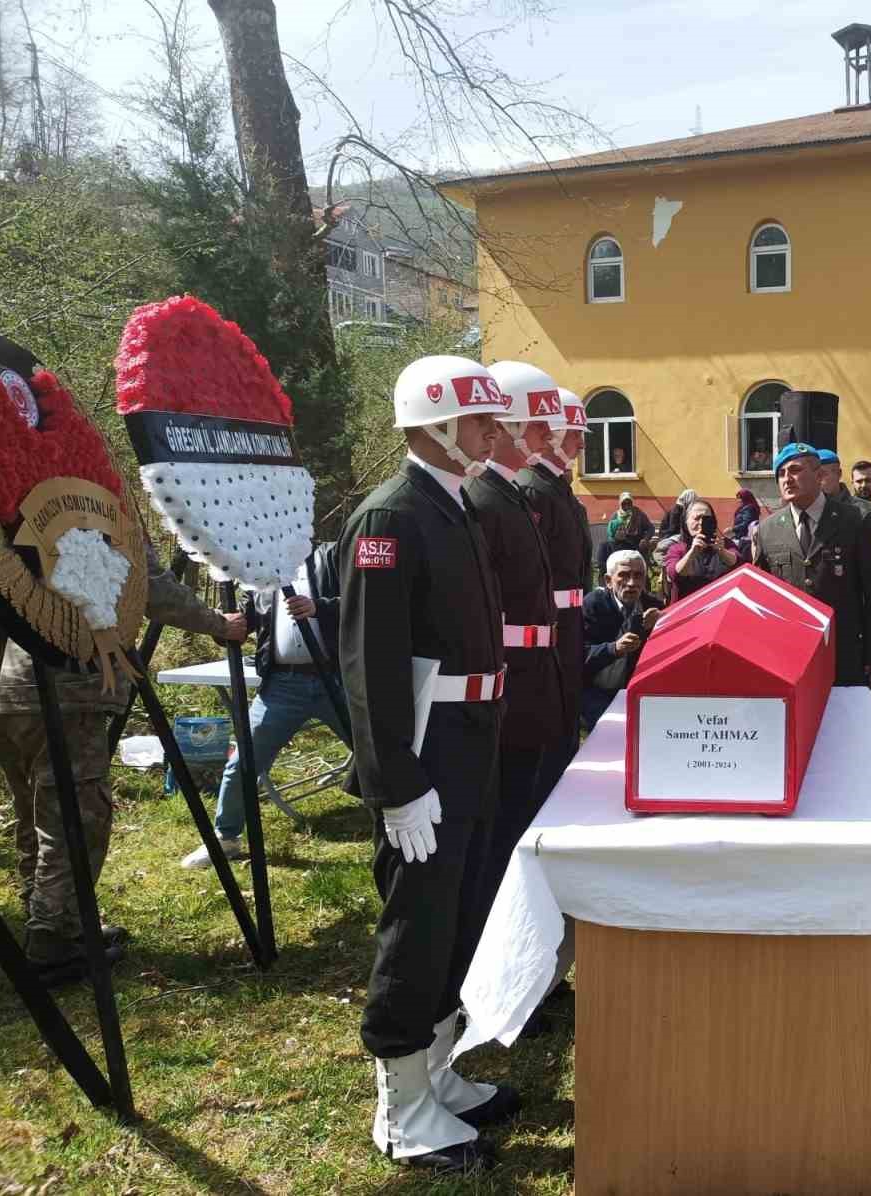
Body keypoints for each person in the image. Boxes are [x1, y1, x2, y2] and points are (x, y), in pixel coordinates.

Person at [340, 355, 518, 1173]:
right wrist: (395, 782)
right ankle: (400, 1108)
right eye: (480, 421)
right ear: (436, 423)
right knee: (417, 923)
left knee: (461, 911)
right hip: (426, 750)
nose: (495, 432)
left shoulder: (450, 506)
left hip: (471, 739)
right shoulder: (391, 517)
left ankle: (436, 1075)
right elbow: (370, 666)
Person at [0, 535, 246, 983]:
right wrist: (218, 623)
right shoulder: (98, 499)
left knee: (35, 810)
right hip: (67, 681)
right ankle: (52, 936)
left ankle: (53, 921)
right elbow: (147, 587)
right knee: (77, 818)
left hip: (3, 684)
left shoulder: (10, 493)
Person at [464, 362, 567, 963]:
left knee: (523, 816)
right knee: (505, 828)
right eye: (532, 426)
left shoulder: (506, 493)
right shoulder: (487, 496)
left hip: (532, 673)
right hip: (510, 680)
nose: (544, 438)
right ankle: (502, 956)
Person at [180, 544, 345, 869]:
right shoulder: (261, 570)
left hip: (336, 679)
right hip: (283, 686)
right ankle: (226, 838)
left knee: (375, 752)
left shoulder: (332, 557)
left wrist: (319, 607)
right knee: (243, 761)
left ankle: (399, 816)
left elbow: (362, 601)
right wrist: (225, 627)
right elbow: (245, 623)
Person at [751, 443, 871, 691]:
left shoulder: (854, 520)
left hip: (845, 653)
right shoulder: (768, 528)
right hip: (791, 655)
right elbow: (764, 597)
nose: (787, 479)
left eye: (795, 470)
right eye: (781, 474)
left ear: (819, 476)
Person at [512, 383, 591, 801]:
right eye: (576, 434)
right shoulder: (532, 488)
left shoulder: (555, 488)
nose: (579, 445)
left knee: (564, 722)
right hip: (547, 629)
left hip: (568, 624)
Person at [581, 550, 663, 731]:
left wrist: (660, 625)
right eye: (624, 576)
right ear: (608, 581)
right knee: (610, 732)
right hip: (596, 690)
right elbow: (578, 655)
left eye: (638, 576)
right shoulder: (592, 605)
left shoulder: (654, 607)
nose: (632, 583)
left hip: (635, 691)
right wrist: (614, 648)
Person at [663, 498, 739, 602]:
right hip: (689, 609)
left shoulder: (725, 544)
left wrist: (722, 551)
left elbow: (738, 563)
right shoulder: (677, 548)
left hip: (719, 606)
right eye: (697, 518)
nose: (701, 523)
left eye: (706, 518)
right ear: (686, 522)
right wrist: (692, 553)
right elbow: (675, 574)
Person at [601, 491, 653, 579]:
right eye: (624, 503)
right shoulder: (615, 516)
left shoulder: (638, 514)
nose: (626, 506)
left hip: (637, 545)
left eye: (629, 503)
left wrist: (645, 539)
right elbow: (611, 533)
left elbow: (650, 528)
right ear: (620, 504)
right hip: (619, 545)